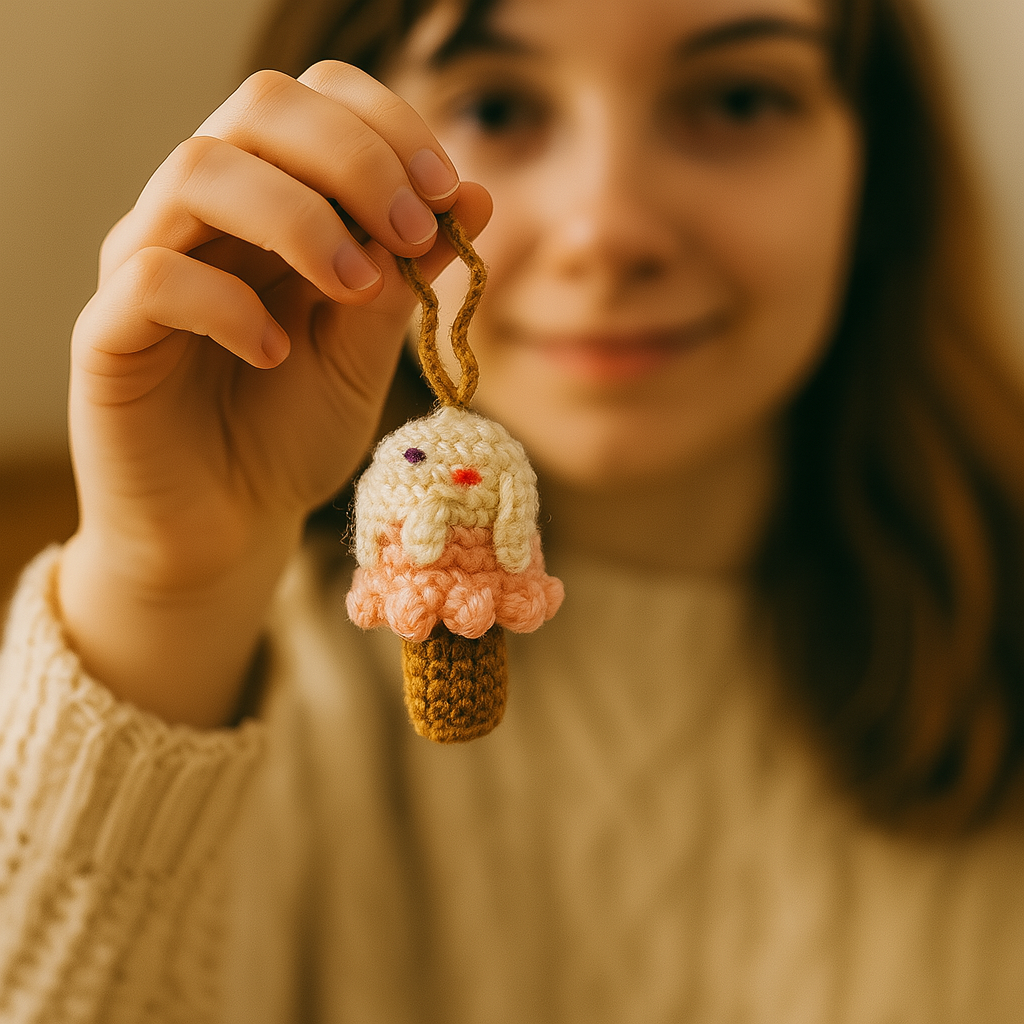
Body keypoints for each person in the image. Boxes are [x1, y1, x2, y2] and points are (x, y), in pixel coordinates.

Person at [2, 0, 1024, 1018]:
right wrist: (169, 590)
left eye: (737, 97)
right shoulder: (238, 687)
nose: (607, 229)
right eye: (494, 104)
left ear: (873, 160)